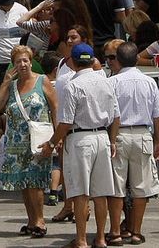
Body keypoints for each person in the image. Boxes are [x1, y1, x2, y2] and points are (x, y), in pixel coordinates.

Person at [52, 45, 119, 248]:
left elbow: (65, 122)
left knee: (80, 192)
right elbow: (116, 117)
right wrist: (113, 140)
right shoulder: (106, 82)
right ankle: (99, 238)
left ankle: (81, 240)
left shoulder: (72, 85)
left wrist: (51, 143)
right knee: (101, 193)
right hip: (102, 136)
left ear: (72, 62)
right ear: (92, 60)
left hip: (80, 139)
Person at [0, 44, 56, 237]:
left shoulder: (42, 81)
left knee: (35, 180)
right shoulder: (11, 86)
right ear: (13, 65)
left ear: (31, 62)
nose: (23, 64)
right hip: (17, 141)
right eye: (18, 61)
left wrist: (56, 138)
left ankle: (40, 221)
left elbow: (55, 108)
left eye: (26, 60)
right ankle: (31, 220)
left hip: (38, 140)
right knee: (23, 182)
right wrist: (5, 82)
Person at [105, 43, 159, 245]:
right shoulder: (149, 82)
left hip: (118, 135)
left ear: (119, 60)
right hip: (142, 135)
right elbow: (158, 117)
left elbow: (107, 115)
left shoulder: (112, 82)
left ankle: (115, 232)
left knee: (116, 186)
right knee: (142, 187)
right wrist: (158, 141)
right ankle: (136, 232)